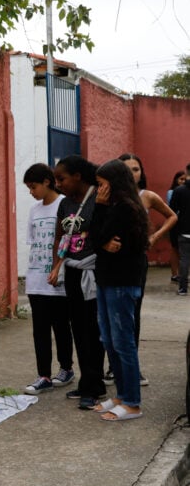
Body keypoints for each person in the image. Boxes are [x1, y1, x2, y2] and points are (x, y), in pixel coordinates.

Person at [102, 154, 177, 387]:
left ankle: (132, 366)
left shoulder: (147, 197)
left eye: (136, 169)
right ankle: (113, 367)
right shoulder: (109, 198)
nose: (132, 173)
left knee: (131, 313)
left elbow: (172, 216)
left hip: (136, 263)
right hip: (111, 264)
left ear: (141, 172)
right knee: (109, 318)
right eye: (127, 169)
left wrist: (154, 237)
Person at [89, 159, 149, 421]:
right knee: (109, 340)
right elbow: (97, 239)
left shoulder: (125, 207)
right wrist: (102, 243)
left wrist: (100, 213)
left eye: (101, 185)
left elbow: (99, 235)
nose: (98, 190)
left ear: (113, 183)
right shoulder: (113, 206)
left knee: (123, 343)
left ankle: (132, 403)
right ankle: (121, 396)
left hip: (121, 283)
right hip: (106, 280)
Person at [48, 155, 106, 410]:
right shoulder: (64, 204)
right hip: (72, 272)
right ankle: (88, 382)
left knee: (92, 330)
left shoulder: (99, 198)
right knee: (78, 329)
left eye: (62, 178)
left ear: (78, 176)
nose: (58, 184)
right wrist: (56, 266)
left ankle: (94, 387)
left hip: (94, 272)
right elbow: (60, 236)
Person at [22, 163, 75, 395]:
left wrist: (58, 267)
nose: (31, 192)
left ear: (47, 181)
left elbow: (69, 241)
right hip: (36, 279)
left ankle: (66, 369)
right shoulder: (34, 210)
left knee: (61, 327)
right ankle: (43, 375)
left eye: (33, 186)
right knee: (40, 330)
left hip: (58, 280)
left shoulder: (65, 205)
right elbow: (33, 242)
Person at [169, 166, 190, 296]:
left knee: (184, 259)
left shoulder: (179, 190)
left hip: (184, 229)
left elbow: (171, 211)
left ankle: (183, 288)